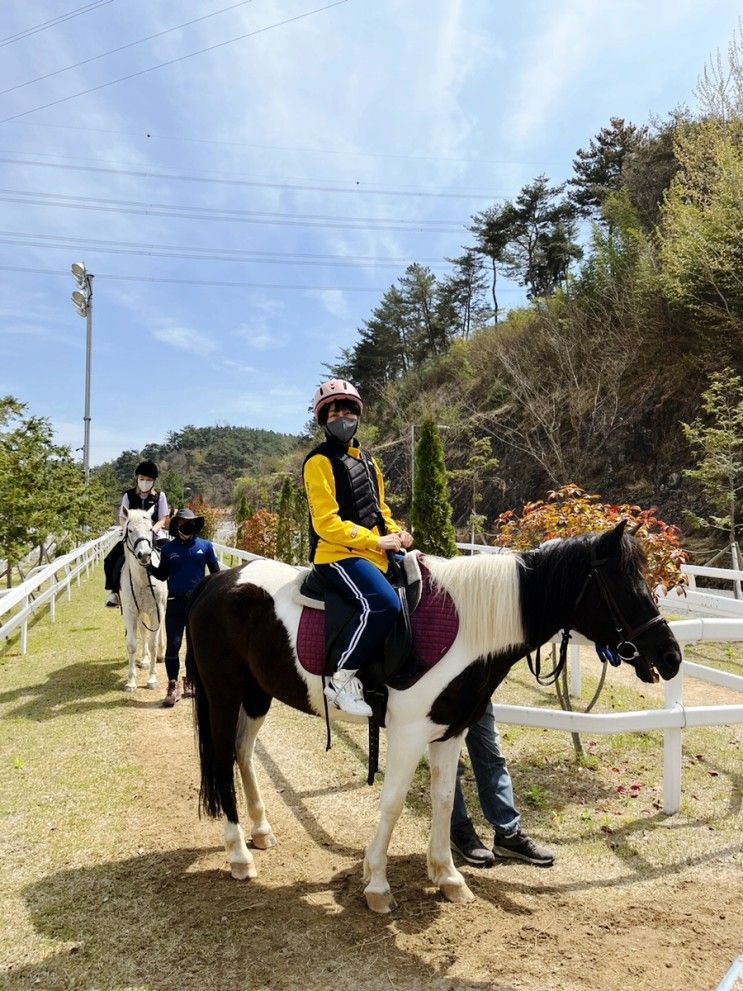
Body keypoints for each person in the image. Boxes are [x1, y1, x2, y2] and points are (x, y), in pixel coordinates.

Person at [303, 378, 413, 717]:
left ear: (358, 415)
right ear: (323, 419)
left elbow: (380, 511)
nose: (342, 416)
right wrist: (374, 541)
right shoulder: (318, 462)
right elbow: (326, 522)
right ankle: (341, 679)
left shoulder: (369, 461)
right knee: (382, 603)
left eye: (348, 409)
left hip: (373, 551)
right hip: (336, 555)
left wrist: (398, 534)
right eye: (333, 411)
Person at [450, 701, 555, 867]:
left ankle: (508, 835)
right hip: (442, 689)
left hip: (476, 686)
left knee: (491, 755)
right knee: (448, 760)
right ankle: (457, 830)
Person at [147, 507, 220, 707]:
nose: (185, 526)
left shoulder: (205, 547)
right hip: (175, 603)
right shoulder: (169, 550)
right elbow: (162, 575)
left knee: (194, 645)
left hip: (199, 604)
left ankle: (190, 681)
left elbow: (215, 573)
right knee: (174, 644)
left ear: (195, 524)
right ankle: (172, 684)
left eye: (189, 522)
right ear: (176, 525)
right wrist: (149, 567)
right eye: (181, 522)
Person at [103, 460, 170, 607]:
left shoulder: (160, 496)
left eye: (148, 480)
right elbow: (122, 517)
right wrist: (126, 530)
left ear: (154, 481)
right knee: (110, 560)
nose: (145, 482)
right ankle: (114, 592)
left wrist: (152, 530)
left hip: (155, 535)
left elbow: (163, 519)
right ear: (137, 479)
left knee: (173, 556)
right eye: (142, 479)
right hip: (133, 537)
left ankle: (172, 590)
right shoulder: (128, 495)